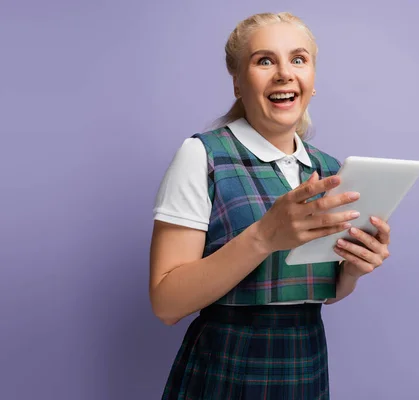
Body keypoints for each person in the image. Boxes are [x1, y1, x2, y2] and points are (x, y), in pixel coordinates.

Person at [149, 11, 392, 399]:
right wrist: (263, 236)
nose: (284, 73)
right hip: (225, 372)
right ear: (237, 82)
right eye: (264, 60)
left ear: (312, 81)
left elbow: (321, 292)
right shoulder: (203, 156)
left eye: (298, 59)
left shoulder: (330, 171)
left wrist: (352, 270)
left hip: (305, 369)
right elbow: (166, 303)